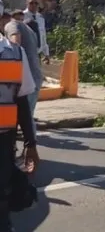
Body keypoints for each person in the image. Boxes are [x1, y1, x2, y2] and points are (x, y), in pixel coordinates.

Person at [1, 20, 40, 232]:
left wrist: (30, 143)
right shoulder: (14, 53)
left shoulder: (15, 53)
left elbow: (22, 102)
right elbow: (22, 102)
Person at [9, 12, 42, 134]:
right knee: (27, 113)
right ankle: (30, 141)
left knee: (25, 113)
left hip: (24, 77)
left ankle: (30, 141)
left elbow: (15, 43)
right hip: (33, 76)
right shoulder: (29, 29)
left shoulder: (11, 25)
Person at [22, 0, 48, 66]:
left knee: (36, 75)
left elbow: (43, 36)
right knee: (21, 74)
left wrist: (46, 53)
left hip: (37, 53)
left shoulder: (40, 18)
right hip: (25, 52)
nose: (34, 5)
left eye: (36, 3)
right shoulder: (21, 16)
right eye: (31, 3)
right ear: (27, 4)